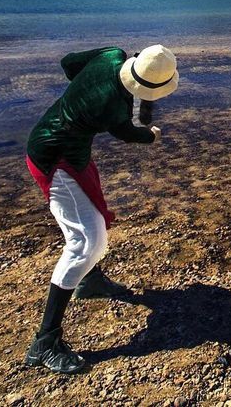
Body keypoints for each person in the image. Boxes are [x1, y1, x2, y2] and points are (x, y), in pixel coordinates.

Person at [22, 43, 179, 374]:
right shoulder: (113, 108)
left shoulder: (112, 55)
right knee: (87, 242)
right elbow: (129, 133)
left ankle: (90, 282)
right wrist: (151, 135)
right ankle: (45, 341)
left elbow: (68, 63)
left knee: (89, 214)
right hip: (56, 159)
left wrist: (80, 94)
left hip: (64, 147)